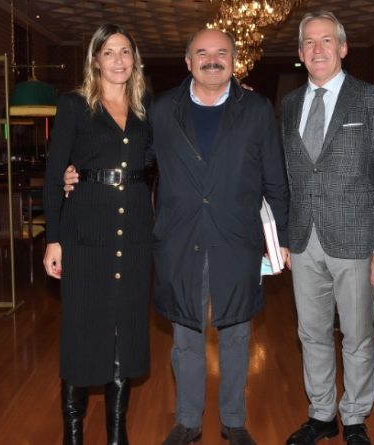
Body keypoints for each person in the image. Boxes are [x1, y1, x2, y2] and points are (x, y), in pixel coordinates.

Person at [62, 28, 289, 445]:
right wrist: (78, 171)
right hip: (180, 239)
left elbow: (275, 178)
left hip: (237, 239)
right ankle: (187, 422)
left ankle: (234, 422)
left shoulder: (256, 109)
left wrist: (282, 240)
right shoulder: (162, 109)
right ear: (188, 62)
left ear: (234, 60)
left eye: (221, 52)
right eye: (202, 52)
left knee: (237, 333)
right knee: (186, 334)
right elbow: (132, 154)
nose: (212, 60)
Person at [282, 11, 374, 445]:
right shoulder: (290, 104)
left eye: (326, 40)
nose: (317, 49)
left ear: (343, 48)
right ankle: (322, 414)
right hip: (303, 238)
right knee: (311, 333)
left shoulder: (371, 100)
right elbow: (290, 176)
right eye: (309, 42)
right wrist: (285, 239)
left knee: (357, 336)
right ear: (300, 52)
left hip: (356, 239)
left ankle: (355, 417)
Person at [42, 24, 153, 445]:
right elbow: (55, 175)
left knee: (124, 331)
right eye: (109, 52)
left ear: (135, 59)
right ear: (95, 61)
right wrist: (54, 238)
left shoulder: (146, 108)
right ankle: (73, 433)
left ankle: (116, 435)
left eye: (125, 51)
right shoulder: (74, 105)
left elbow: (162, 152)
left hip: (134, 233)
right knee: (81, 330)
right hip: (85, 231)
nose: (119, 60)